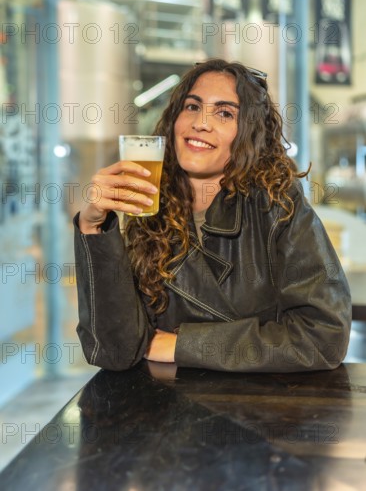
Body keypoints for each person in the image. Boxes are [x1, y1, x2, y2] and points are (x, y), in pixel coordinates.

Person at [74, 58, 351, 372]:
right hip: (165, 410)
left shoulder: (277, 205)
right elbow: (115, 351)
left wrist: (182, 344)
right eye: (192, 107)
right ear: (173, 120)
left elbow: (324, 336)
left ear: (248, 132)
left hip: (262, 409)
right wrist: (93, 227)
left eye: (224, 113)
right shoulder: (149, 208)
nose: (200, 123)